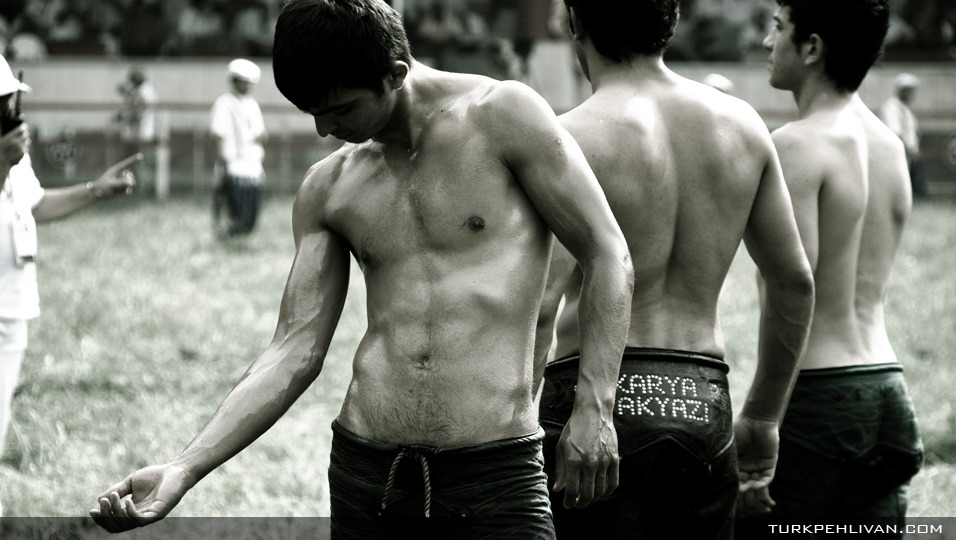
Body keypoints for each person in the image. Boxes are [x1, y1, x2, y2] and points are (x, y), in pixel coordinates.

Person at [90, 1, 633, 538]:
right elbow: (292, 349)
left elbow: (606, 251)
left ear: (395, 74)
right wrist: (185, 469)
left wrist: (596, 404)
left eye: (342, 109)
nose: (326, 130)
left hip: (494, 472)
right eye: (313, 113)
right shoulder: (331, 185)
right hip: (367, 473)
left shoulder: (504, 116)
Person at [533, 1, 814, 538]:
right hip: (700, 393)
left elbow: (541, 303)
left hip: (590, 395)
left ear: (575, 20)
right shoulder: (744, 127)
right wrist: (763, 414)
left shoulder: (567, 138)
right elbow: (793, 281)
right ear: (672, 21)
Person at [737, 0, 924, 535]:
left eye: (777, 28)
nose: (769, 43)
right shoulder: (889, 148)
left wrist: (762, 417)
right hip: (889, 392)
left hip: (818, 396)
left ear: (813, 47)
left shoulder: (796, 145)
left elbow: (793, 289)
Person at [0, 53, 139, 468]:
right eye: (3, 102)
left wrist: (96, 189)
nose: (10, 112)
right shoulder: (6, 158)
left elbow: (36, 205)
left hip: (13, 310)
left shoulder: (14, 159)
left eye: (11, 101)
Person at [210, 58, 267, 238]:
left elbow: (261, 133)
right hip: (234, 165)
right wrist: (224, 163)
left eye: (251, 82)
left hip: (252, 166)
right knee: (233, 208)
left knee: (251, 212)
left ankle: (241, 238)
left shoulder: (252, 104)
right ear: (234, 81)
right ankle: (227, 238)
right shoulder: (224, 103)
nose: (248, 86)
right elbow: (219, 135)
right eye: (244, 82)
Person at [880, 73, 926, 198]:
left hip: (910, 152)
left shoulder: (905, 108)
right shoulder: (891, 107)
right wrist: (910, 149)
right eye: (908, 90)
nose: (911, 94)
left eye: (912, 91)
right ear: (901, 90)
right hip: (900, 152)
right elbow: (896, 132)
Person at [115, 65, 157, 195]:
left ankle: (142, 190)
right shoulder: (147, 90)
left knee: (139, 162)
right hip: (142, 133)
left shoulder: (144, 91)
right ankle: (141, 189)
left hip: (141, 134)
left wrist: (133, 122)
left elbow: (139, 109)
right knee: (140, 163)